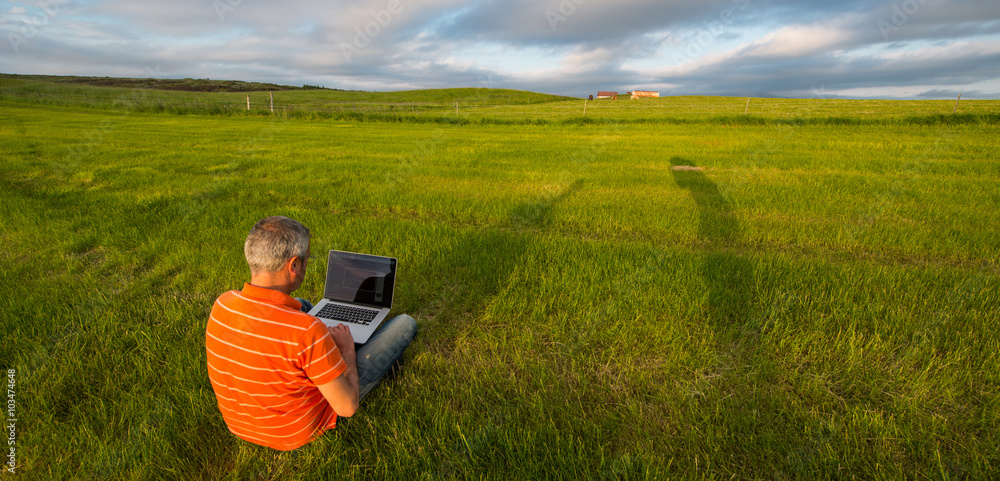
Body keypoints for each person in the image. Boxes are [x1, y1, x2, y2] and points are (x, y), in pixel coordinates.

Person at [206, 215, 417, 451]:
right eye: (307, 259)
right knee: (404, 324)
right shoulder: (307, 330)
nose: (307, 263)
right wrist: (346, 348)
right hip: (296, 432)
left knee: (302, 303)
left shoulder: (222, 304)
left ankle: (322, 347)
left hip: (240, 425)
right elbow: (347, 407)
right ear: (294, 265)